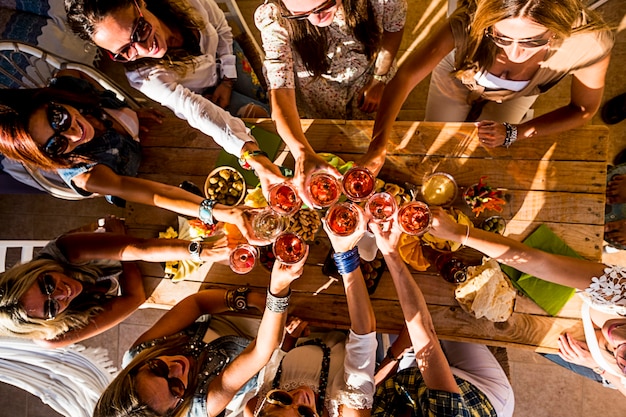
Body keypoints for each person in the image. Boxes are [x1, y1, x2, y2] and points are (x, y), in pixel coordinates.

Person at [0, 74, 269, 246]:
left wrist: (133, 115)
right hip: (151, 179)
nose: (72, 133)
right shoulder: (86, 174)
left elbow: (108, 97)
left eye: (58, 118)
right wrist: (226, 212)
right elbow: (156, 194)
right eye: (56, 144)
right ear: (49, 157)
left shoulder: (71, 83)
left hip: (165, 135)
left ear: (53, 101)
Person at [65, 0, 285, 191]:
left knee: (275, 108)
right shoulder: (143, 75)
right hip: (207, 96)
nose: (143, 48)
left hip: (228, 57)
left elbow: (220, 28)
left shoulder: (184, 3)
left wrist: (228, 80)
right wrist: (251, 155)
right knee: (265, 122)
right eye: (124, 51)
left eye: (139, 29)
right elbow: (195, 109)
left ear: (139, 3)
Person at [368, 0, 613, 170]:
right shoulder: (469, 22)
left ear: (558, 30)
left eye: (532, 41)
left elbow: (583, 109)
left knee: (489, 154)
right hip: (457, 76)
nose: (514, 53)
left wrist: (516, 133)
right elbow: (405, 78)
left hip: (518, 96)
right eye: (501, 37)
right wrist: (378, 145)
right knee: (438, 136)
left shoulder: (590, 44)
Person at [427, 206, 626, 397]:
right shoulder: (621, 290)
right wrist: (459, 233)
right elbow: (541, 263)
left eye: (620, 355)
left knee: (535, 338)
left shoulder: (615, 362)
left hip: (604, 368)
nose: (613, 338)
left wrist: (599, 366)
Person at [92, 246, 306, 417]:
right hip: (259, 359)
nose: (176, 368)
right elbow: (261, 352)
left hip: (227, 319)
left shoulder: (138, 354)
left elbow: (196, 304)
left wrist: (249, 299)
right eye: (176, 387)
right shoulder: (201, 407)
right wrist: (277, 290)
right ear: (175, 410)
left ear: (137, 368)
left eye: (157, 368)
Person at [253, 0, 407, 206]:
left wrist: (379, 79)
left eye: (324, 7)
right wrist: (302, 153)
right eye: (300, 14)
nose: (315, 20)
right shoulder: (274, 16)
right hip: (317, 92)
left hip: (370, 76)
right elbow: (280, 92)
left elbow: (393, 30)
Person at [0, 215, 231, 348]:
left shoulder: (63, 251)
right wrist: (125, 258)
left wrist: (200, 251)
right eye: (51, 307)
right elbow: (135, 299)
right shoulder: (54, 336)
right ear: (45, 323)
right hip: (150, 279)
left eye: (47, 285)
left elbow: (140, 247)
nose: (62, 293)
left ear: (37, 270)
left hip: (144, 243)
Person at [368, 217, 514, 416]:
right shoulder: (448, 414)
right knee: (451, 312)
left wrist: (396, 353)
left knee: (398, 318)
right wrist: (390, 253)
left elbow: (367, 394)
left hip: (410, 385)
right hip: (480, 390)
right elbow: (425, 330)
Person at [245, 205, 377, 417]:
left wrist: (289, 340)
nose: (299, 396)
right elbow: (364, 336)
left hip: (306, 323)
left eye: (281, 400)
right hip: (353, 323)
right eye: (305, 413)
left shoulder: (254, 407)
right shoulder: (348, 412)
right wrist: (345, 255)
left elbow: (272, 361)